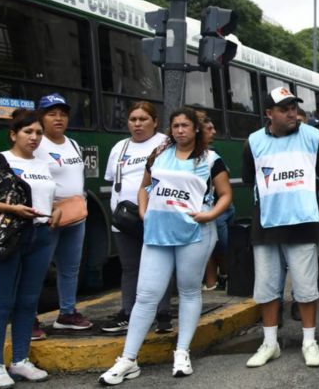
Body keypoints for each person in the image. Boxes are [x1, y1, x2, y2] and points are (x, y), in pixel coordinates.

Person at [98, 107, 232, 385]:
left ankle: (182, 352)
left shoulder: (211, 160)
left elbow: (225, 194)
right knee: (146, 295)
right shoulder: (159, 154)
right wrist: (145, 211)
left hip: (194, 234)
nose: (180, 130)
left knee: (188, 291)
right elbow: (144, 186)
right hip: (157, 233)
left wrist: (210, 215)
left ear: (196, 129)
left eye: (185, 125)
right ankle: (128, 359)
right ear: (170, 129)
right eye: (176, 126)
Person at [242, 87, 319, 368]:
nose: (293, 113)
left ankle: (309, 341)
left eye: (294, 107)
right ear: (269, 114)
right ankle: (270, 343)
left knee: (306, 289)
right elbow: (249, 180)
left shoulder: (314, 137)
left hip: (303, 223)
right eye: (285, 109)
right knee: (267, 289)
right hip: (267, 225)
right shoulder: (254, 141)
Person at [0, 109, 57, 387]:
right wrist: (11, 209)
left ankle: (20, 361)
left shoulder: (44, 165)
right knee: (0, 304)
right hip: (5, 238)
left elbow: (44, 199)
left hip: (40, 236)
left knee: (28, 302)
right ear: (13, 134)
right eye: (27, 132)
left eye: (38, 133)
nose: (34, 138)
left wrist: (53, 212)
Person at [100, 102, 172, 334]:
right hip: (125, 220)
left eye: (143, 119)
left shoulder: (165, 144)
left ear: (155, 121)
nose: (137, 124)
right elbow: (113, 180)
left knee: (159, 267)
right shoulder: (119, 147)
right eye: (133, 119)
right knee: (130, 267)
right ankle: (128, 312)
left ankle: (162, 313)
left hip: (156, 216)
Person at [33, 93, 92, 335]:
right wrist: (48, 208)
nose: (58, 119)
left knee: (70, 268)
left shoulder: (74, 144)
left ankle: (67, 313)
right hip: (48, 216)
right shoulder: (36, 145)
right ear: (41, 118)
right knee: (37, 268)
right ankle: (29, 318)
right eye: (52, 114)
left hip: (75, 216)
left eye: (63, 114)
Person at [199, 113, 233, 292]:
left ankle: (225, 275)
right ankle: (211, 282)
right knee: (208, 249)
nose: (213, 132)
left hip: (218, 208)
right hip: (202, 210)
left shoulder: (212, 156)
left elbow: (224, 187)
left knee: (221, 244)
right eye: (209, 129)